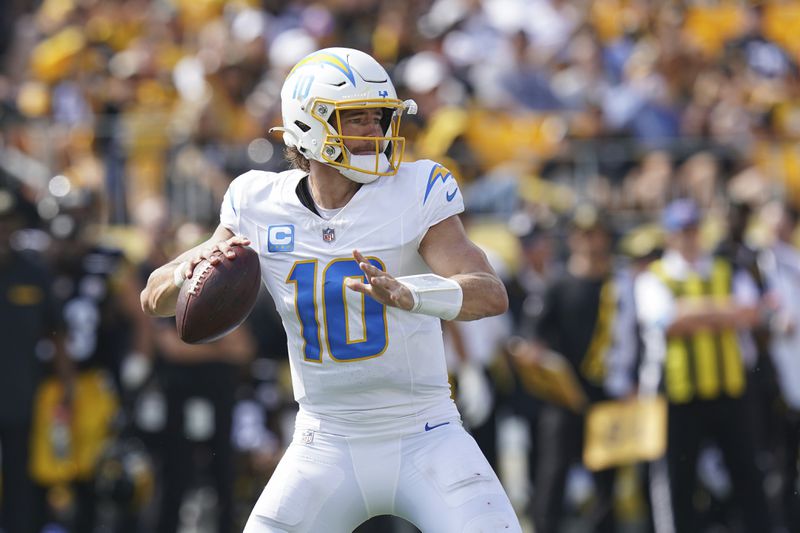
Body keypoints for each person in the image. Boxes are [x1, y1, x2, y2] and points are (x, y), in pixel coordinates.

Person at [141, 47, 521, 532]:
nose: (372, 131)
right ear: (307, 124)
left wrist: (413, 294)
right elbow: (153, 300)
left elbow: (491, 293)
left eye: (379, 117)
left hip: (426, 432)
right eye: (354, 117)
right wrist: (185, 269)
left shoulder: (416, 188)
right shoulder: (258, 202)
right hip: (324, 441)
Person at [635, 198, 772, 533]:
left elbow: (753, 314)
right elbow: (667, 321)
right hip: (679, 394)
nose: (689, 237)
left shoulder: (724, 268)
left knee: (748, 474)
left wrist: (693, 310)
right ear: (670, 236)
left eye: (694, 229)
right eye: (682, 230)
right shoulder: (654, 276)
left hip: (729, 388)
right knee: (677, 481)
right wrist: (725, 312)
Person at [511, 206, 640, 533]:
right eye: (582, 234)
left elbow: (635, 338)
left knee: (606, 482)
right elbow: (531, 330)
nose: (589, 241)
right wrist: (532, 350)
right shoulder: (558, 284)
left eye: (595, 233)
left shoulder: (621, 285)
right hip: (565, 397)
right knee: (552, 475)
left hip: (609, 393)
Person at [0, 184, 69, 533]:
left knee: (21, 485)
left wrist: (66, 388)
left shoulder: (33, 273)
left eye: (6, 221)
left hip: (21, 398)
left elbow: (56, 334)